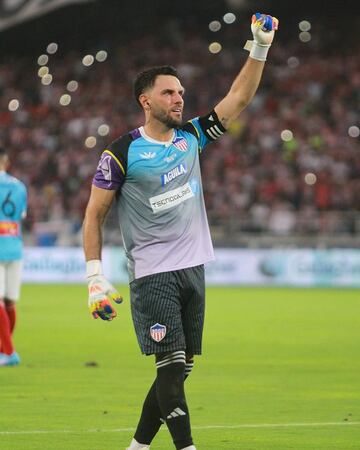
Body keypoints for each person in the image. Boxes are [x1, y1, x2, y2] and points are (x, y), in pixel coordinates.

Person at [83, 13, 278, 450]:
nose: (179, 99)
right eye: (168, 92)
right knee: (170, 371)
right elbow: (93, 215)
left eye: (181, 92)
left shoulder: (191, 137)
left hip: (193, 268)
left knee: (179, 370)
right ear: (145, 100)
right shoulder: (121, 152)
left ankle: (136, 447)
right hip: (153, 274)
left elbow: (238, 98)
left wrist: (260, 46)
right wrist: (94, 276)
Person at [0, 147, 27, 367]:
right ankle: (4, 350)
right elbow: (21, 216)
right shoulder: (20, 187)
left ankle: (9, 352)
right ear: (6, 161)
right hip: (15, 247)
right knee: (9, 300)